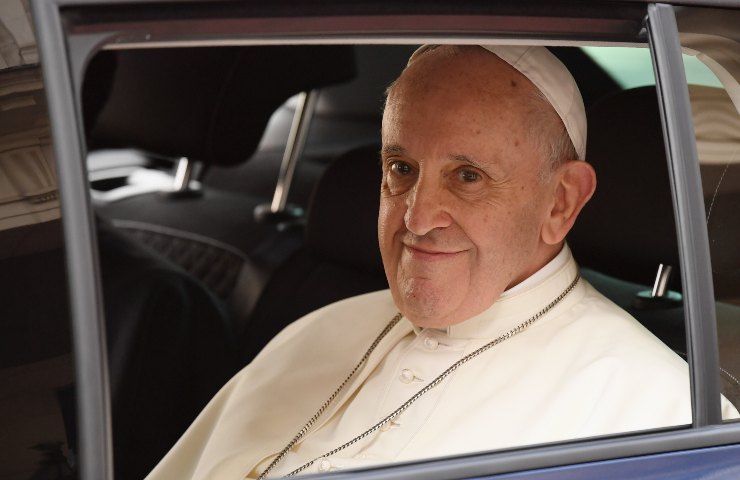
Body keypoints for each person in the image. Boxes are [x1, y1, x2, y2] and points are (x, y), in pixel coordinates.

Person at [146, 45, 738, 480]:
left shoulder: (664, 420)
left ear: (560, 203)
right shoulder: (315, 330)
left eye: (468, 176)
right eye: (401, 169)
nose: (417, 216)